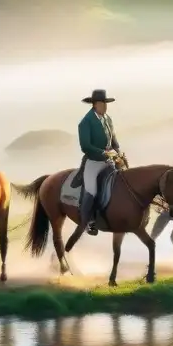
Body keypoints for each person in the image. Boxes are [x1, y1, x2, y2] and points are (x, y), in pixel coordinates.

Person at [76, 89, 122, 236]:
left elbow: (113, 140)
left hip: (110, 160)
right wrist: (103, 153)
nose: (105, 107)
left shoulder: (107, 119)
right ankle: (89, 222)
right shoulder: (85, 122)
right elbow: (85, 146)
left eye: (106, 104)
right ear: (95, 104)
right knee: (92, 190)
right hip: (93, 162)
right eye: (102, 104)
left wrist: (119, 152)